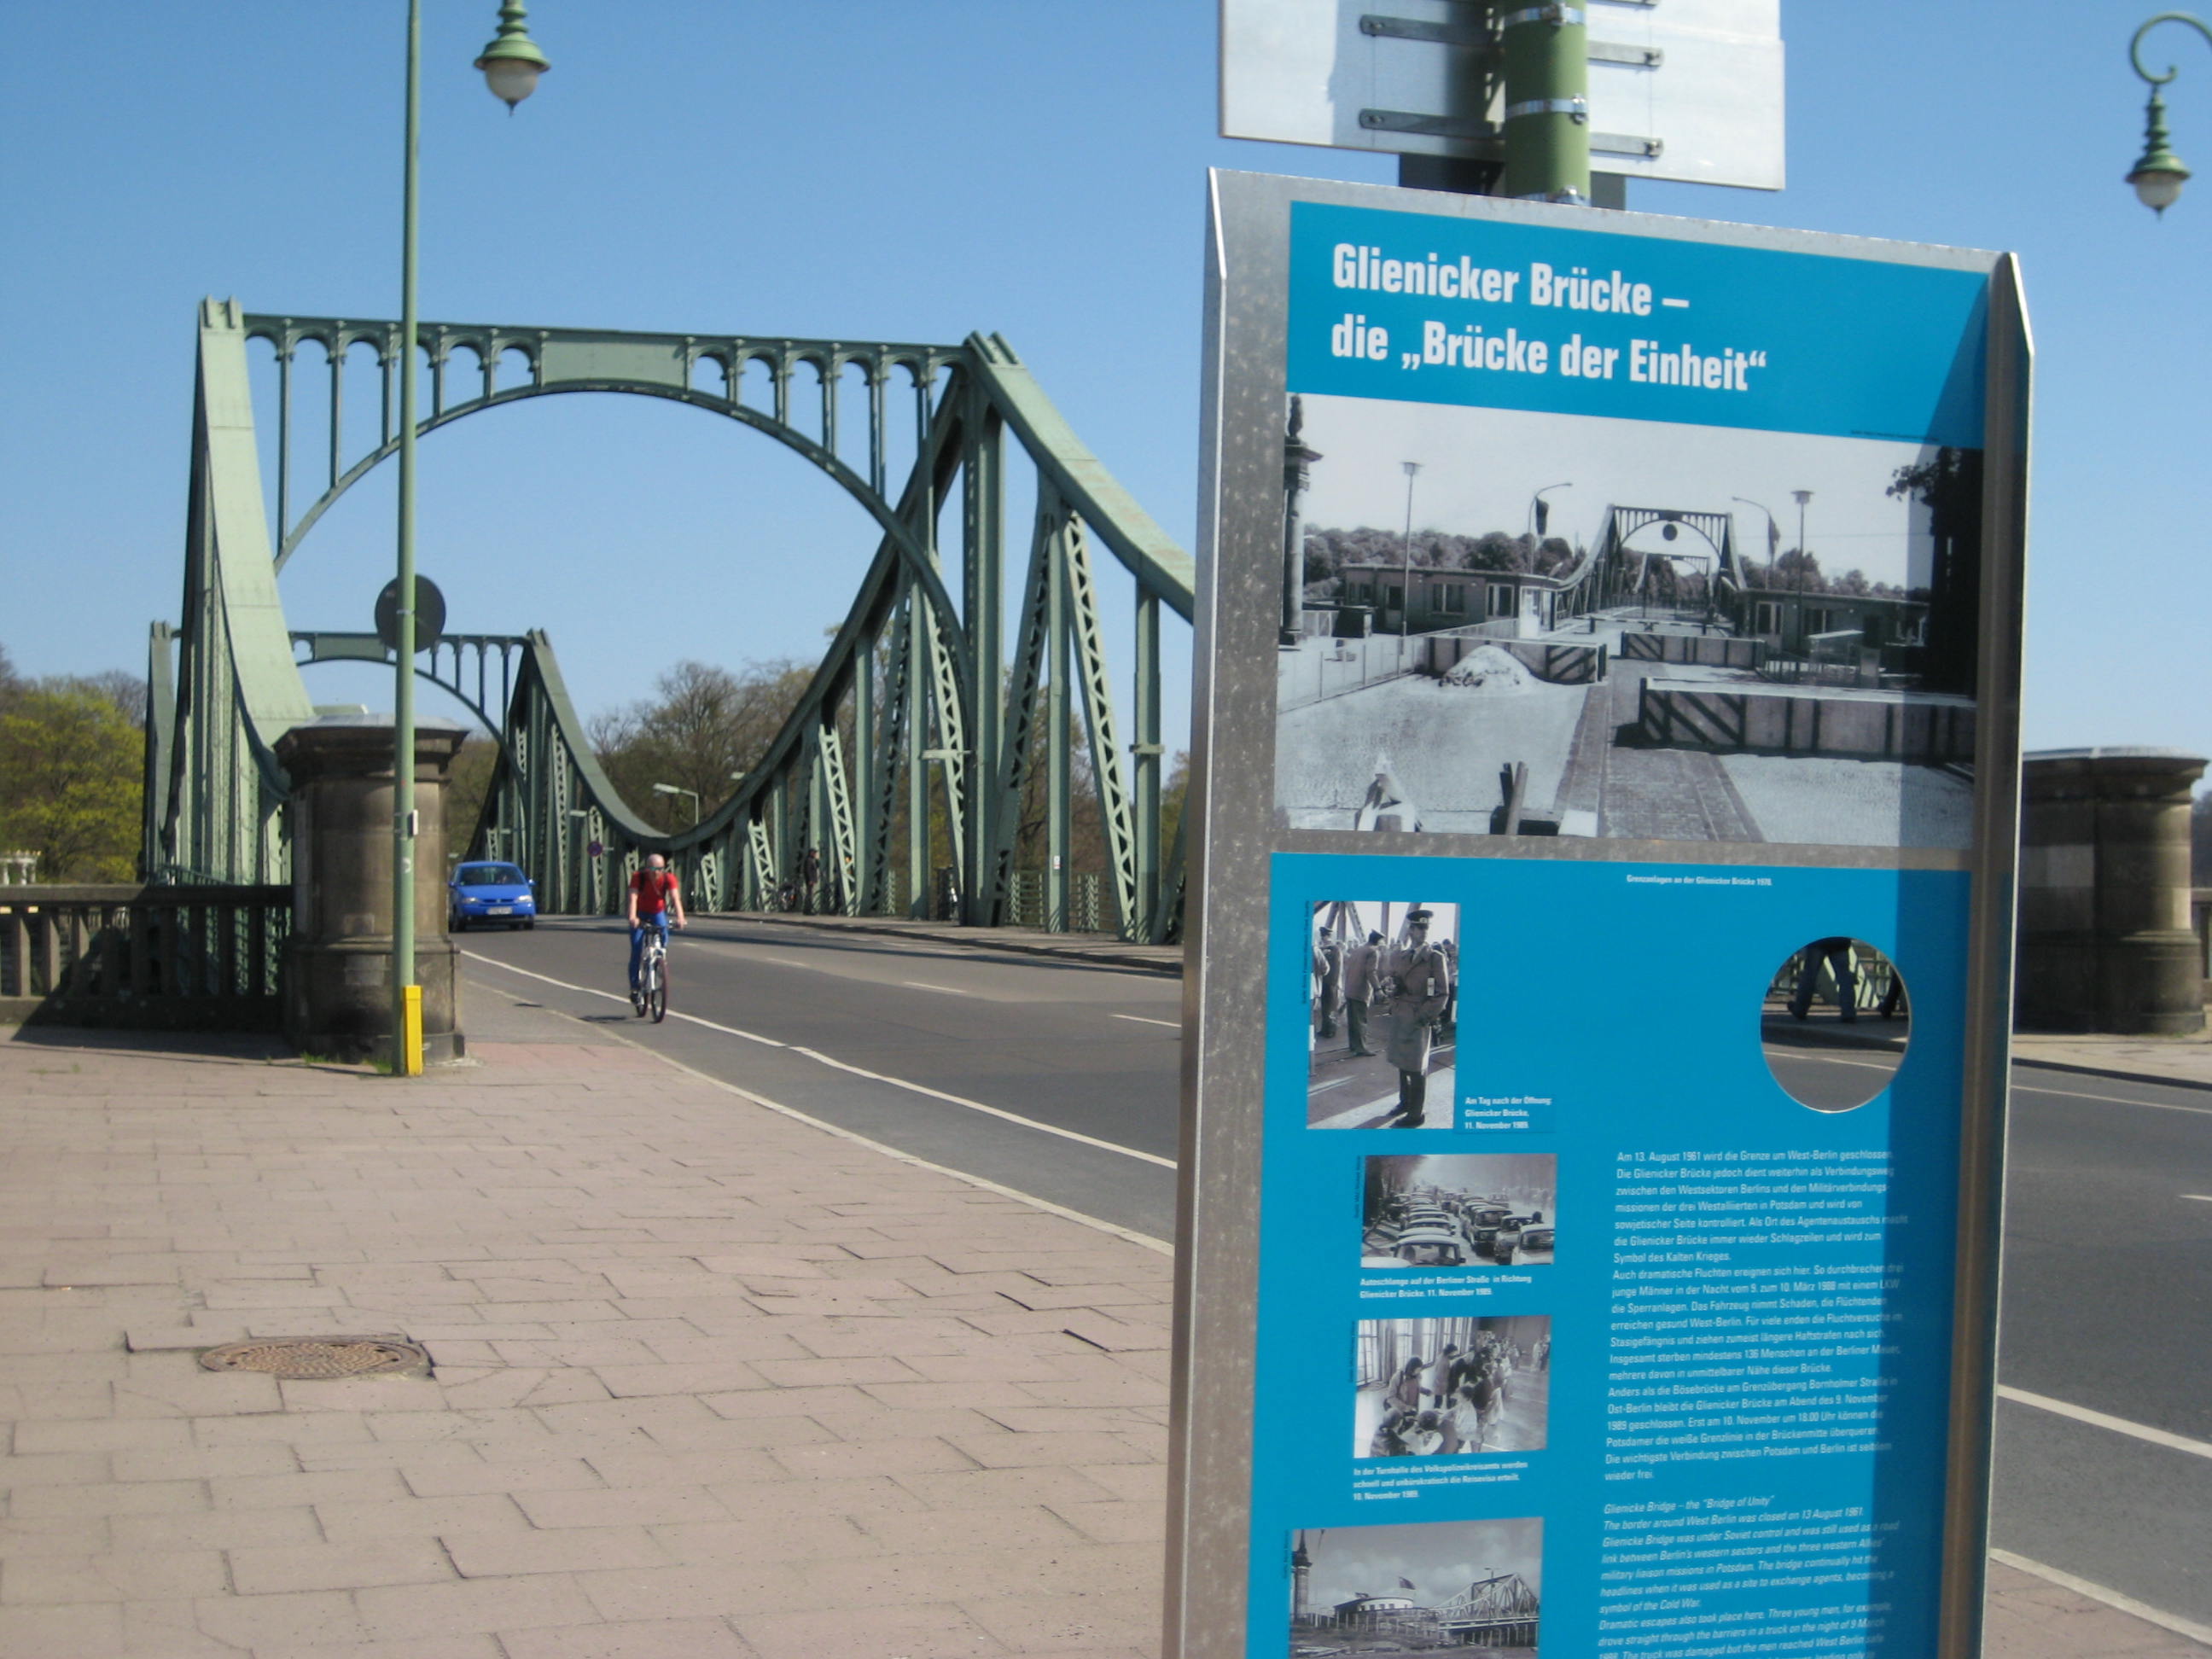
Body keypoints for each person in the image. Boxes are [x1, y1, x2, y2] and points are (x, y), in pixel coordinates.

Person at [1378, 910, 1452, 1127]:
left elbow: (1442, 993)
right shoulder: (1402, 956)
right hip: (1401, 1015)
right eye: (1419, 928)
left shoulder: (1435, 958)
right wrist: (1392, 995)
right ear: (1410, 930)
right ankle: (1405, 1102)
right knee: (1402, 1062)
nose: (1423, 932)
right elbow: (1395, 982)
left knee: (1417, 1067)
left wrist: (1423, 1016)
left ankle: (1416, 1115)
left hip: (1418, 1018)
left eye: (1425, 928)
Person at [626, 853, 687, 1000]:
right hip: (640, 912)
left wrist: (681, 918)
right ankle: (635, 987)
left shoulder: (668, 878)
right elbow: (633, 897)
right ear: (647, 868)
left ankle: (660, 959)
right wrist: (633, 917)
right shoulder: (638, 877)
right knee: (636, 948)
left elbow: (675, 899)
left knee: (663, 931)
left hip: (657, 912)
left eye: (659, 869)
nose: (656, 872)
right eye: (653, 869)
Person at [1789, 936, 1858, 1022]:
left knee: (1810, 975)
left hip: (1818, 941)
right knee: (1844, 977)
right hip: (1840, 941)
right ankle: (1849, 1013)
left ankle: (1800, 1009)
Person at [1342, 929, 1382, 1057]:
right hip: (1361, 990)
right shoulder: (1373, 951)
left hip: (1350, 988)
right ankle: (1361, 1048)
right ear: (1378, 941)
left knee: (1352, 1020)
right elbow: (1371, 972)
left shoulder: (1358, 949)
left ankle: (1353, 1045)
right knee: (1360, 1020)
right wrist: (1378, 989)